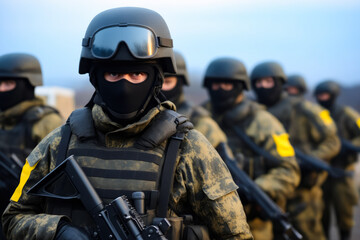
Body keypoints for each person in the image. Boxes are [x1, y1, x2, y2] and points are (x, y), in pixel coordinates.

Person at [2, 7, 253, 240]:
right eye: (113, 74)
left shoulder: (189, 148)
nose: (124, 85)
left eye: (137, 74)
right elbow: (13, 218)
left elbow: (236, 235)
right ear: (96, 78)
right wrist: (59, 231)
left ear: (155, 79)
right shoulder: (59, 142)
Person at [201, 57, 300, 239]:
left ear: (240, 86)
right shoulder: (200, 118)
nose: (220, 90)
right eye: (215, 85)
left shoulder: (264, 122)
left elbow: (289, 170)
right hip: (203, 222)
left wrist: (253, 191)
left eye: (227, 85)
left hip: (251, 224)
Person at [250, 61, 340, 240]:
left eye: (268, 82)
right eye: (258, 83)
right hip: (269, 190)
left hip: (302, 192)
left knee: (307, 233)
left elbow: (332, 141)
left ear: (280, 83)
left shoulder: (304, 109)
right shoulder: (252, 111)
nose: (262, 87)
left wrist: (308, 160)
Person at [0, 53, 63, 240]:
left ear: (28, 85)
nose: (2, 90)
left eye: (8, 84)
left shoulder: (45, 122)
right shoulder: (2, 120)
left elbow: (59, 181)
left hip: (26, 217)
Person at [315, 80, 360, 240]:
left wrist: (346, 146)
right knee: (322, 215)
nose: (322, 98)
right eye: (319, 95)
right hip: (322, 172)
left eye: (326, 95)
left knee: (344, 213)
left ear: (333, 96)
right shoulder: (317, 114)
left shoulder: (346, 113)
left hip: (342, 172)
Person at [161, 51, 227, 148]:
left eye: (167, 82)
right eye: (157, 82)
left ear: (181, 82)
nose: (160, 88)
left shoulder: (202, 123)